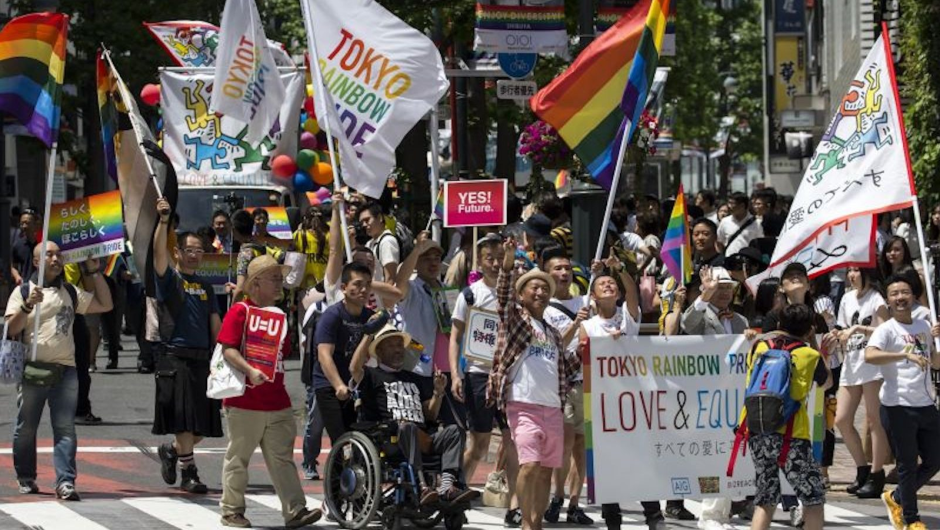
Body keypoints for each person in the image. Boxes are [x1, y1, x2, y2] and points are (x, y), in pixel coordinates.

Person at [216, 255, 323, 528]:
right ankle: (231, 511)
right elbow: (227, 349)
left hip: (277, 400)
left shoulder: (279, 316)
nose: (280, 283)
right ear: (255, 284)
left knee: (282, 460)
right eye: (274, 278)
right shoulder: (240, 311)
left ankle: (295, 510)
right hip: (244, 400)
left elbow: (282, 352)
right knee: (238, 459)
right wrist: (251, 370)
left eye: (280, 277)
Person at [4, 242, 113, 500]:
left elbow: (104, 304)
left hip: (66, 370)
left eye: (58, 255)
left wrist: (95, 272)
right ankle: (26, 477)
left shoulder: (70, 293)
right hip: (33, 370)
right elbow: (10, 328)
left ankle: (65, 481)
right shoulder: (23, 291)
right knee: (26, 427)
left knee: (65, 427)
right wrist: (28, 306)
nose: (55, 259)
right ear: (36, 262)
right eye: (48, 255)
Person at [486, 237, 580, 530]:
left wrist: (590, 350)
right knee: (529, 465)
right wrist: (509, 259)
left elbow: (565, 366)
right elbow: (503, 295)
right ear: (522, 294)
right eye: (534, 288)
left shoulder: (551, 332)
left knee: (545, 471)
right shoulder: (516, 319)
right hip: (522, 404)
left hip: (552, 407)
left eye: (544, 288)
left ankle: (537, 524)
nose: (540, 292)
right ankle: (526, 522)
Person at [351, 323, 477, 504]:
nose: (398, 350)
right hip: (392, 438)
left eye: (399, 345)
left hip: (423, 436)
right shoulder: (372, 375)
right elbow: (354, 369)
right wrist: (368, 333)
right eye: (391, 345)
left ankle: (447, 485)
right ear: (378, 351)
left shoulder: (414, 378)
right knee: (407, 427)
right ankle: (421, 485)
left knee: (455, 431)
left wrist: (438, 393)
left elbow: (431, 416)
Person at [448, 234, 523, 527]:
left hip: (511, 376)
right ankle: (454, 492)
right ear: (480, 261)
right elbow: (455, 338)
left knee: (513, 441)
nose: (494, 263)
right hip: (478, 376)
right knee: (478, 444)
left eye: (498, 257)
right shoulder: (469, 295)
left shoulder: (516, 292)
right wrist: (456, 373)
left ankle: (515, 507)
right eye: (488, 258)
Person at [152, 196, 224, 494]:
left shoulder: (207, 287)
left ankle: (171, 450)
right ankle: (189, 472)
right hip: (175, 359)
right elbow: (157, 254)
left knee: (200, 428)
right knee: (183, 421)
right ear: (177, 252)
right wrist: (163, 222)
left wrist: (225, 355)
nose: (195, 255)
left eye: (199, 250)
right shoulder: (170, 280)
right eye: (189, 250)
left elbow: (216, 326)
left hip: (202, 361)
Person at [746, 304, 831, 530]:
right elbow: (827, 382)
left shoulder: (760, 347)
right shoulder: (808, 354)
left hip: (756, 431)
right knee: (813, 499)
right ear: (809, 330)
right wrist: (816, 346)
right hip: (792, 435)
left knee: (765, 498)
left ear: (778, 324)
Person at [865, 274, 940, 530]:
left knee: (935, 458)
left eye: (904, 292)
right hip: (898, 406)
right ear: (888, 300)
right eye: (894, 294)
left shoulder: (923, 326)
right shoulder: (886, 330)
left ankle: (897, 497)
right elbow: (870, 356)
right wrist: (901, 354)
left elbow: (936, 363)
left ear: (914, 296)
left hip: (926, 404)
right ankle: (911, 518)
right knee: (907, 464)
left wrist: (937, 343)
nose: (900, 298)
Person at [540, 246, 594, 526]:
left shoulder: (586, 300)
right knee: (565, 442)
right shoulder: (543, 309)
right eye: (557, 269)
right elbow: (554, 345)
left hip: (589, 382)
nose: (564, 273)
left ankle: (575, 503)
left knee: (583, 445)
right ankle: (557, 497)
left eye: (567, 268)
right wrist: (575, 323)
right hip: (562, 383)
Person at [393, 234, 464, 423]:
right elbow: (399, 283)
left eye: (437, 259)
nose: (433, 263)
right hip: (416, 366)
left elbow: (455, 330)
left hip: (446, 371)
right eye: (426, 258)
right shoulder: (411, 289)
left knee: (454, 427)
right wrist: (416, 249)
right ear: (416, 262)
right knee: (417, 426)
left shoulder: (448, 291)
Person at [832, 266, 889, 498]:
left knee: (874, 421)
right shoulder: (846, 298)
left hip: (873, 363)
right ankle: (862, 469)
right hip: (852, 363)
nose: (851, 275)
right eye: (849, 271)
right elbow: (841, 327)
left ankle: (877, 474)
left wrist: (859, 328)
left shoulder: (876, 298)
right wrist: (836, 333)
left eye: (856, 270)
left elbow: (886, 329)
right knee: (842, 419)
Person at [312, 262, 376, 442]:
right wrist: (338, 385)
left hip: (355, 383)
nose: (364, 289)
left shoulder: (370, 317)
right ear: (344, 288)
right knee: (341, 439)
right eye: (357, 284)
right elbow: (324, 355)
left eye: (368, 284)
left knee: (362, 436)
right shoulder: (332, 315)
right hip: (329, 384)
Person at [360, 202, 400, 283]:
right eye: (362, 222)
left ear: (380, 218)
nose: (364, 225)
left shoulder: (387, 241)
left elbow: (390, 278)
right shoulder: (370, 243)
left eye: (367, 220)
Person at [717, 192, 762, 257]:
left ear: (742, 205)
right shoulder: (725, 222)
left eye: (732, 203)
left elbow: (759, 243)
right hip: (730, 260)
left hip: (748, 261)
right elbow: (719, 242)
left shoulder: (757, 223)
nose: (729, 206)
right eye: (729, 203)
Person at [10, 207, 41, 285]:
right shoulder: (17, 245)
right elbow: (13, 266)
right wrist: (17, 276)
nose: (24, 226)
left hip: (42, 286)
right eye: (22, 223)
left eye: (27, 223)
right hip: (25, 286)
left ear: (36, 224)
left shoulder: (44, 244)